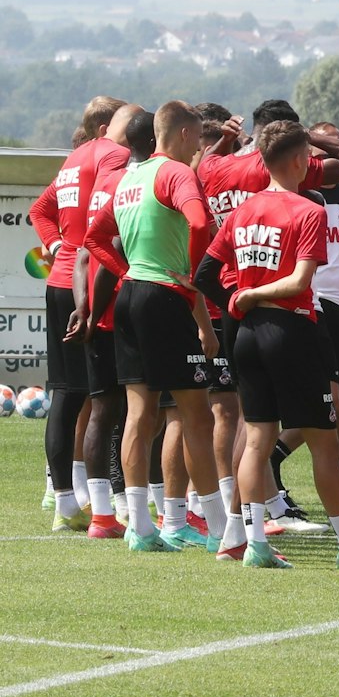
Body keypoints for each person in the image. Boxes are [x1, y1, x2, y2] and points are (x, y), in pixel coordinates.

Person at [195, 120, 339, 571]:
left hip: (245, 336)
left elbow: (204, 274)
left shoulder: (244, 211)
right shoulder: (308, 210)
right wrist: (258, 296)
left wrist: (239, 302)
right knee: (324, 439)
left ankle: (254, 542)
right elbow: (302, 281)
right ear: (301, 160)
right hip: (293, 331)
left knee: (258, 437)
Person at [81, 99, 228, 554]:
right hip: (164, 298)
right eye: (198, 137)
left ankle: (141, 528)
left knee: (140, 416)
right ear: (185, 134)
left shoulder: (131, 176)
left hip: (131, 299)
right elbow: (200, 220)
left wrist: (126, 271)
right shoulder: (176, 173)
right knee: (197, 415)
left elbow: (93, 237)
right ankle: (224, 531)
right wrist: (196, 274)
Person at [33, 96, 129, 532]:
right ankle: (117, 500)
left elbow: (41, 210)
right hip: (92, 284)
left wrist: (56, 247)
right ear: (109, 125)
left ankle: (66, 499)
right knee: (107, 396)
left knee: (67, 394)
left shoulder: (73, 159)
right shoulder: (113, 154)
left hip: (60, 283)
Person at [270, 123, 339, 509]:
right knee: (320, 400)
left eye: (335, 141)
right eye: (319, 142)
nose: (329, 152)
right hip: (308, 300)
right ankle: (269, 461)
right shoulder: (294, 194)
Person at [64, 103, 146, 539]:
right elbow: (111, 247)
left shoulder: (104, 181)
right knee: (139, 412)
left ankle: (103, 514)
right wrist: (96, 310)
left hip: (98, 311)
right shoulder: (135, 181)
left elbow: (82, 252)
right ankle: (140, 509)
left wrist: (82, 308)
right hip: (123, 312)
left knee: (103, 412)